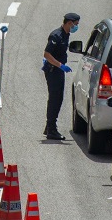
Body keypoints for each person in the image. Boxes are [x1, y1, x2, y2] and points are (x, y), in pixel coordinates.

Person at [42, 12, 80, 140]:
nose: (76, 27)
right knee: (55, 98)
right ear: (69, 23)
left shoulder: (66, 34)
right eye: (75, 24)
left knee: (58, 98)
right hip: (53, 70)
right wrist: (60, 65)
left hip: (58, 70)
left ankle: (49, 126)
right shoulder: (56, 35)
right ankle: (51, 129)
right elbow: (47, 54)